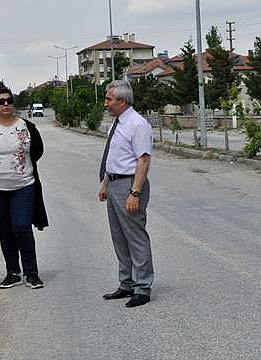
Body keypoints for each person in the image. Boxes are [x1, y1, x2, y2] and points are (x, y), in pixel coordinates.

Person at [0, 87, 48, 289]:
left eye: (9, 101)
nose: (6, 104)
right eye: (1, 102)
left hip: (23, 186)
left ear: (13, 104)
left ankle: (31, 273)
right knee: (6, 230)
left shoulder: (27, 127)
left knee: (22, 227)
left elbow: (37, 151)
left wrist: (19, 167)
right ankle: (12, 272)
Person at [98, 80, 154, 308]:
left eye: (109, 99)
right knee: (119, 237)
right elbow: (114, 156)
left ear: (122, 101)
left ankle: (143, 288)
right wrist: (105, 184)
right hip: (114, 184)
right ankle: (127, 282)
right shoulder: (117, 123)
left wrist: (135, 192)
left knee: (135, 236)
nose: (106, 104)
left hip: (130, 185)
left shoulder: (137, 124)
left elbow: (143, 160)